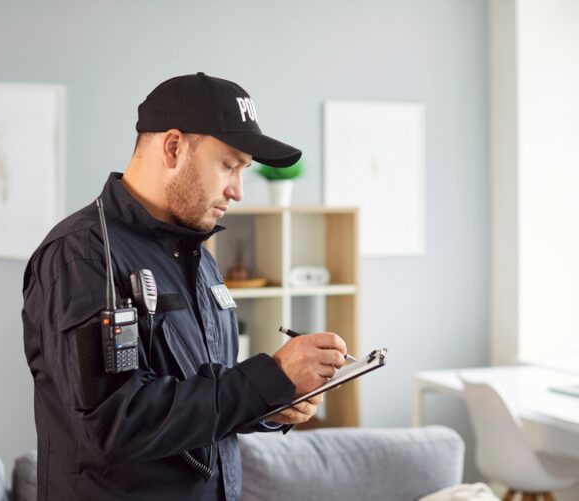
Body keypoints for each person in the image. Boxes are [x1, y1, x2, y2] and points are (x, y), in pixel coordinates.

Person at [22, 72, 348, 501]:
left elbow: (201, 395)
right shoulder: (80, 256)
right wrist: (268, 377)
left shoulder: (199, 258)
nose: (238, 190)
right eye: (229, 165)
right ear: (173, 147)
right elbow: (113, 422)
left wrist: (271, 402)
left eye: (243, 170)